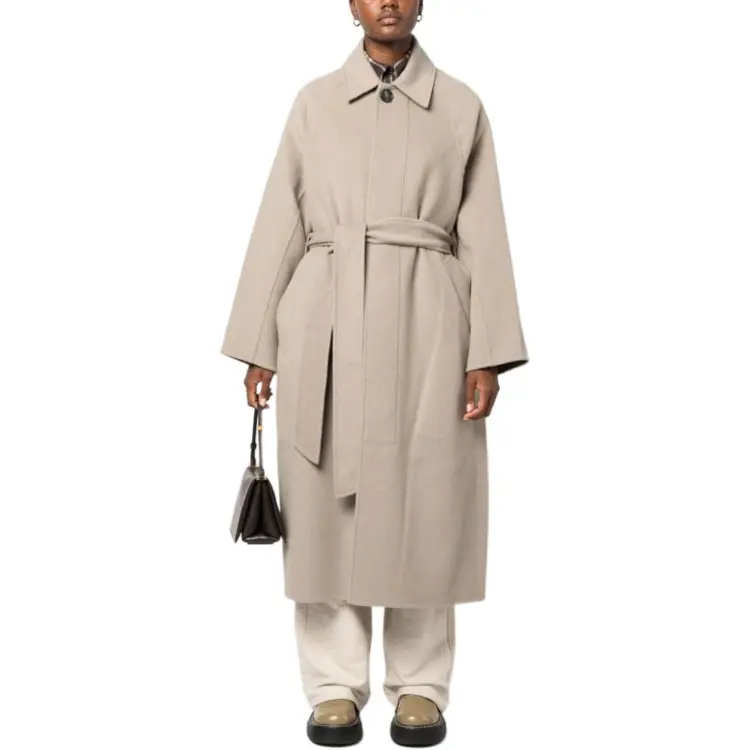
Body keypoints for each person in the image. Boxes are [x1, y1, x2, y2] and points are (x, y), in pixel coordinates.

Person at [220, 1, 529, 745]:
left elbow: (483, 231)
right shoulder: (315, 103)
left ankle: (420, 686)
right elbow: (281, 220)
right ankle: (333, 687)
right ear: (350, 4)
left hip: (431, 322)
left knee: (429, 504)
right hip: (325, 317)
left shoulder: (460, 106)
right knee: (324, 508)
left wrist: (486, 350)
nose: (387, 0)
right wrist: (261, 342)